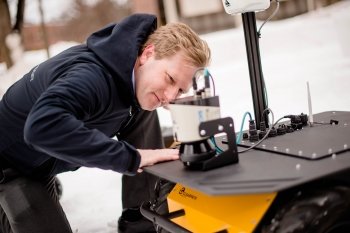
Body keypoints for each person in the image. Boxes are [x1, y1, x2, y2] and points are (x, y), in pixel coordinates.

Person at [0, 13, 210, 233]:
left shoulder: (132, 78)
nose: (170, 95)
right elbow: (41, 127)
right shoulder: (91, 77)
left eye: (180, 90)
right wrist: (130, 158)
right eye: (170, 79)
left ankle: (140, 220)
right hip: (10, 165)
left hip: (42, 162)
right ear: (148, 53)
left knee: (144, 106)